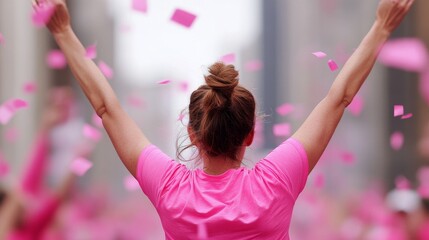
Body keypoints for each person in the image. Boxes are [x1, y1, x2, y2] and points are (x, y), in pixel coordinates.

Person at [41, 0, 414, 238]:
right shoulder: (275, 183)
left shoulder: (170, 188)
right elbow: (339, 98)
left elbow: (107, 109)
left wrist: (63, 32)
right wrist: (381, 27)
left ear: (192, 132)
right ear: (251, 134)